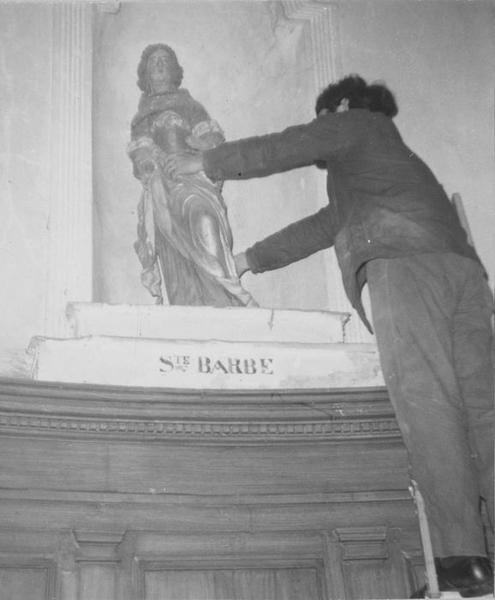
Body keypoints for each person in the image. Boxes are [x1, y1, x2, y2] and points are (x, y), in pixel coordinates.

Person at [166, 74, 494, 598]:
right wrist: (248, 261)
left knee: (429, 405)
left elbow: (287, 145)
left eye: (326, 117)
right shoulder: (384, 164)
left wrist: (207, 162)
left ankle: (465, 558)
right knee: (485, 412)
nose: (324, 129)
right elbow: (324, 227)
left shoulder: (356, 124)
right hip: (465, 277)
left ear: (340, 106)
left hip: (406, 269)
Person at [128, 44, 256, 308]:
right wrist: (150, 163)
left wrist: (199, 146)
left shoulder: (190, 105)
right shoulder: (142, 115)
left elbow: (214, 142)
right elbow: (140, 151)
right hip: (165, 183)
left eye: (165, 60)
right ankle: (189, 302)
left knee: (206, 219)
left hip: (195, 177)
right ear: (146, 74)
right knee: (174, 247)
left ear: (175, 70)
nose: (161, 65)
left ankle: (224, 296)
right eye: (154, 62)